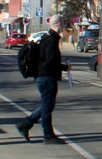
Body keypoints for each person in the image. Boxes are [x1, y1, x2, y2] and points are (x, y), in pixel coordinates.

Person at [16, 15, 69, 145]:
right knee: (47, 107)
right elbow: (50, 61)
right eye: (63, 23)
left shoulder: (46, 38)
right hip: (47, 77)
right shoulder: (51, 40)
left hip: (42, 76)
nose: (64, 26)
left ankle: (26, 124)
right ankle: (47, 135)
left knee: (48, 105)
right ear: (59, 24)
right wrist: (64, 67)